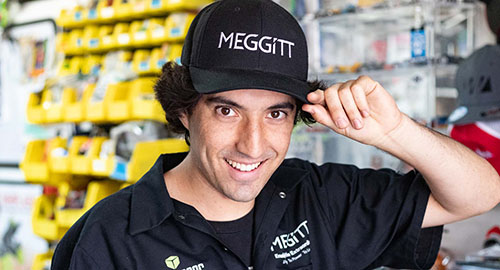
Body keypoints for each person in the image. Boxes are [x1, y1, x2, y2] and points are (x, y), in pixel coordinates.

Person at [51, 0, 500, 269]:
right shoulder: (110, 238)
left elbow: (478, 194)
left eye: (276, 114)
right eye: (227, 110)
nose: (253, 144)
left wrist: (396, 131)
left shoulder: (321, 197)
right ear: (185, 111)